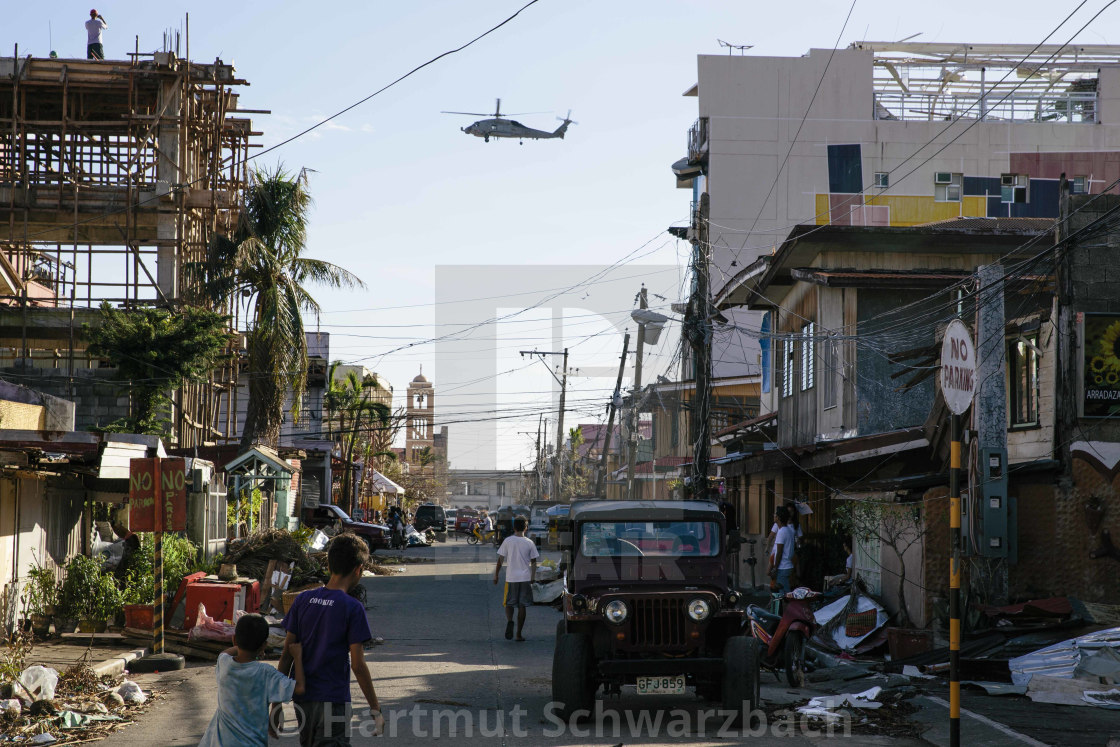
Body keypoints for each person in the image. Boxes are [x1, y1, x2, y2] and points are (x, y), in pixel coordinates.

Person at [280, 533, 383, 744]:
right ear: (358, 570)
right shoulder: (352, 608)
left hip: (302, 700)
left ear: (329, 566)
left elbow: (286, 655)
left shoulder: (303, 600)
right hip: (333, 702)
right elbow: (358, 665)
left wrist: (275, 704)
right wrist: (375, 708)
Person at [198, 613, 305, 746]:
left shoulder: (224, 663)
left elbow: (225, 652)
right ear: (264, 645)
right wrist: (298, 657)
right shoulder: (266, 673)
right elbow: (300, 688)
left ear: (234, 640)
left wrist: (243, 644)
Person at [493, 516, 538, 641]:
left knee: (509, 603)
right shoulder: (530, 543)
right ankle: (518, 634)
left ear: (514, 528)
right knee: (522, 605)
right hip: (525, 578)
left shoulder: (508, 541)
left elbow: (500, 560)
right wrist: (533, 577)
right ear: (526, 528)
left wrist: (496, 575)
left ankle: (510, 620)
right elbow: (534, 562)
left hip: (511, 578)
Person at [768, 506, 796, 594]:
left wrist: (775, 568)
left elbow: (779, 552)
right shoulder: (789, 530)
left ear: (778, 518)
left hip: (783, 566)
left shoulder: (782, 532)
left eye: (775, 514)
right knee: (783, 591)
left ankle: (787, 607)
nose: (774, 516)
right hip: (787, 565)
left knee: (784, 594)